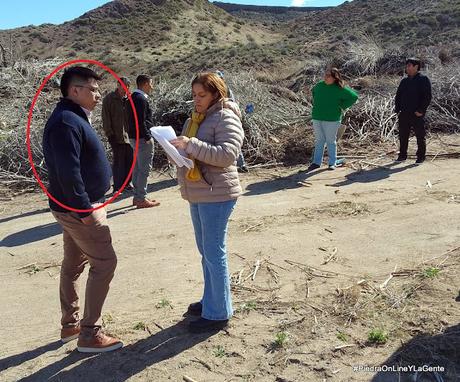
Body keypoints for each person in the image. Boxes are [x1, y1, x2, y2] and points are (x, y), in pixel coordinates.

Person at [42, 66, 123, 353]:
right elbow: (69, 172)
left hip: (73, 208)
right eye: (93, 89)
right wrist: (85, 212)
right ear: (74, 91)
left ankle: (71, 325)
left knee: (74, 264)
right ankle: (90, 333)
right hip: (80, 210)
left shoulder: (72, 117)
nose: (98, 94)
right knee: (105, 263)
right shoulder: (66, 122)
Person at [170, 72, 244, 333]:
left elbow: (226, 155)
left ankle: (218, 313)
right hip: (200, 192)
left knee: (214, 253)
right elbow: (194, 152)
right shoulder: (197, 119)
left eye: (202, 95)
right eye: (194, 95)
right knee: (207, 253)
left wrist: (190, 144)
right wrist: (177, 152)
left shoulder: (225, 116)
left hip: (218, 193)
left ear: (216, 94)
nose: (196, 100)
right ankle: (211, 301)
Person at [308, 67, 358, 171]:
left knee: (331, 141)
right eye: (325, 75)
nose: (325, 77)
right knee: (319, 141)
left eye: (328, 76)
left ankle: (332, 163)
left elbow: (353, 97)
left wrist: (342, 106)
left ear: (335, 78)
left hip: (332, 118)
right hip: (317, 117)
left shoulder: (339, 88)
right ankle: (316, 163)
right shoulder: (319, 86)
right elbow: (314, 94)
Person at [127, 74, 160, 208]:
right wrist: (147, 137)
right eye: (151, 84)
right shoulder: (140, 99)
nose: (152, 87)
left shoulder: (131, 98)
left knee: (137, 167)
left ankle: (138, 196)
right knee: (144, 168)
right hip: (141, 138)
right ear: (145, 84)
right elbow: (140, 121)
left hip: (134, 138)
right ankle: (140, 198)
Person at [394, 58, 432, 164]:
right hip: (404, 113)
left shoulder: (423, 79)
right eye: (406, 66)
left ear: (416, 67)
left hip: (417, 113)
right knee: (403, 135)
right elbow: (398, 96)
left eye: (409, 65)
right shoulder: (404, 81)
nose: (407, 68)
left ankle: (421, 157)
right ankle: (402, 155)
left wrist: (421, 110)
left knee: (420, 136)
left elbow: (427, 96)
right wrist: (397, 109)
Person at [102, 76, 133, 193]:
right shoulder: (109, 99)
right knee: (118, 163)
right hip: (116, 136)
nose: (126, 88)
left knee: (130, 161)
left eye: (128, 86)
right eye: (124, 85)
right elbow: (106, 118)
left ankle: (127, 183)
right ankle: (118, 187)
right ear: (118, 85)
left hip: (129, 137)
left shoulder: (129, 99)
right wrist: (110, 134)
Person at [215, 70, 248, 173]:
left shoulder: (225, 90)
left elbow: (231, 104)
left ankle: (240, 165)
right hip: (226, 118)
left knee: (231, 142)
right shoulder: (226, 89)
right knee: (231, 142)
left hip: (225, 118)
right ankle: (239, 165)